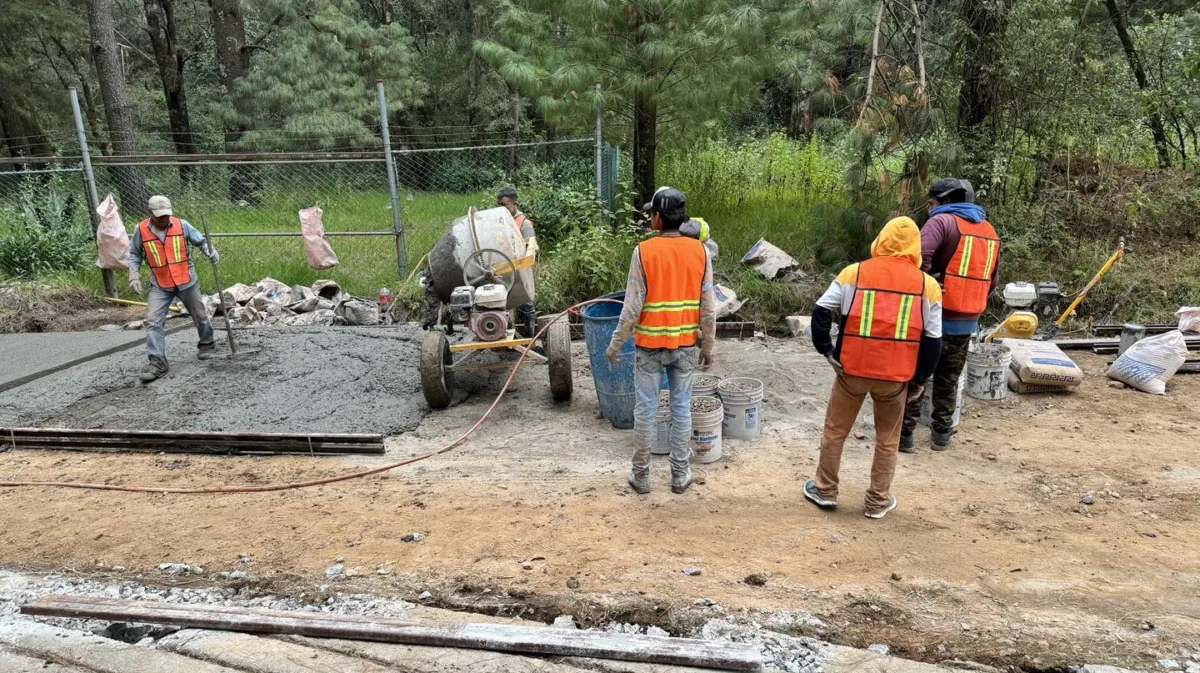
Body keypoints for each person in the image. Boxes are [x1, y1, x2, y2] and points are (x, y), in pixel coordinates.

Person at [804, 217, 943, 520]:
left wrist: (826, 350)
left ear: (881, 240)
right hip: (896, 377)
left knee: (835, 431)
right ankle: (878, 501)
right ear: (915, 247)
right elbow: (933, 342)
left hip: (851, 370)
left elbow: (820, 310)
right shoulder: (927, 286)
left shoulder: (855, 272)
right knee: (887, 440)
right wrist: (919, 380)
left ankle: (825, 490)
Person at [607, 187, 716, 495]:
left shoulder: (643, 251)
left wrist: (616, 344)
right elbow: (707, 308)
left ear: (657, 218)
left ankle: (640, 476)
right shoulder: (700, 252)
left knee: (645, 410)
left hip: (648, 347)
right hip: (684, 346)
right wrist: (708, 345)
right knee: (681, 408)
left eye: (650, 214)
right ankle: (680, 476)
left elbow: (632, 306)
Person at [900, 178, 1001, 452]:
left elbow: (916, 260)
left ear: (945, 201)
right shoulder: (989, 231)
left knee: (916, 376)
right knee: (948, 379)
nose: (930, 209)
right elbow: (992, 281)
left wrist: (931, 282)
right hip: (966, 321)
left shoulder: (941, 222)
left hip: (931, 319)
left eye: (932, 203)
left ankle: (904, 436)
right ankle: (942, 435)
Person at [127, 195, 220, 383]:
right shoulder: (141, 230)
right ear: (149, 213)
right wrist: (134, 276)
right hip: (160, 284)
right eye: (160, 216)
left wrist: (211, 251)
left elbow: (201, 242)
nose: (164, 219)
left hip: (186, 279)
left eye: (167, 215)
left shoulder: (182, 224)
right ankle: (158, 363)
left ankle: (207, 344)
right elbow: (134, 254)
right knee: (153, 321)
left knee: (200, 315)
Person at [497, 187, 537, 338]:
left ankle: (530, 337)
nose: (503, 207)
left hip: (521, 271)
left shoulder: (524, 224)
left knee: (526, 304)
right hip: (504, 270)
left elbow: (531, 249)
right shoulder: (500, 221)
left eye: (505, 204)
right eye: (500, 204)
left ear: (514, 203)